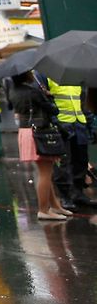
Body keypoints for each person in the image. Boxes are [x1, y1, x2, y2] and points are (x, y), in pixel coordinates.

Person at [11, 71, 71, 220]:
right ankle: (43, 210)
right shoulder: (33, 92)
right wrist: (49, 97)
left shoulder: (14, 91)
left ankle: (55, 206)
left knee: (45, 171)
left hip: (25, 132)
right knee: (45, 173)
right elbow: (53, 110)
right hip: (39, 133)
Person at [47, 77, 94, 209]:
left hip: (79, 123)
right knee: (63, 164)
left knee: (81, 160)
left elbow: (83, 103)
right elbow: (47, 103)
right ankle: (65, 197)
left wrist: (89, 123)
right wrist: (55, 122)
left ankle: (78, 194)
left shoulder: (76, 78)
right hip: (62, 125)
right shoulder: (48, 77)